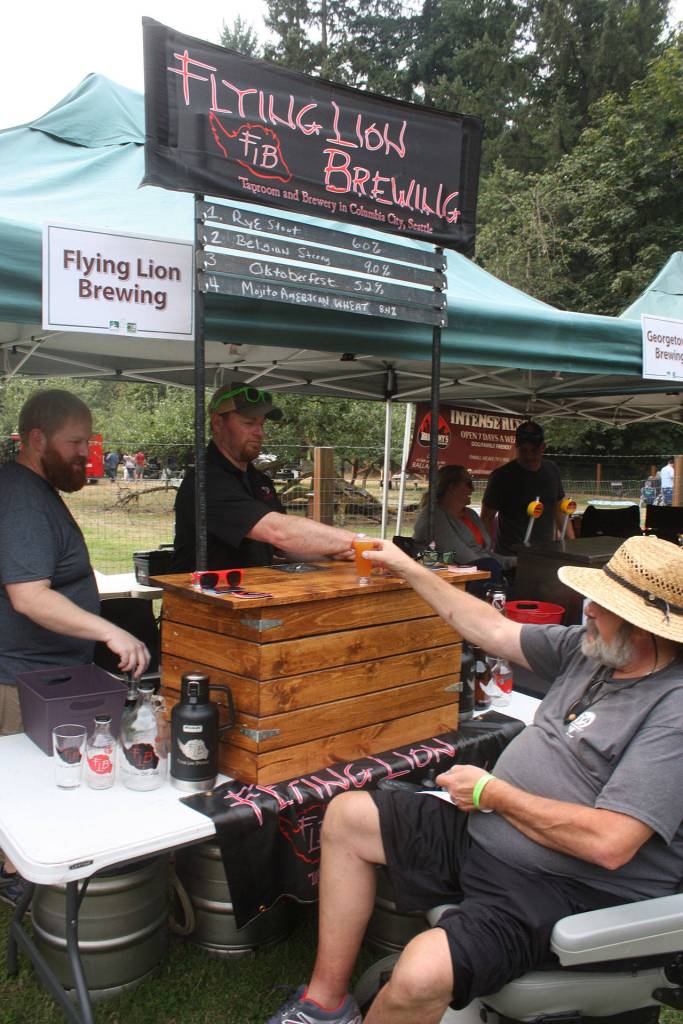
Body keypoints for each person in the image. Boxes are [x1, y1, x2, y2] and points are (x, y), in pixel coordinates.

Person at [263, 534, 683, 1024]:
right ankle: (325, 1005)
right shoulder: (592, 652)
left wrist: (494, 794)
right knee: (348, 816)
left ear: (643, 628)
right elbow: (490, 629)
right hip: (488, 834)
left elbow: (610, 843)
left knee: (420, 974)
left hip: (564, 888)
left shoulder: (672, 711)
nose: (586, 610)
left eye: (603, 605)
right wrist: (408, 568)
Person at [0, 390, 151, 904]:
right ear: (36, 439)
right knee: (25, 797)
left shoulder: (36, 491)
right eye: (75, 442)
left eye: (87, 442)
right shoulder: (21, 496)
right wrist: (109, 630)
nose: (86, 453)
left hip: (44, 673)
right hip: (22, 679)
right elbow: (28, 597)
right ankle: (23, 884)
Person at [171, 384, 357, 571]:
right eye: (249, 423)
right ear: (218, 423)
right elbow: (279, 532)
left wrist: (332, 552)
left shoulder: (259, 481)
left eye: (261, 424)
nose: (259, 433)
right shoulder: (205, 482)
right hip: (202, 597)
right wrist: (356, 542)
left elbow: (284, 546)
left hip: (247, 595)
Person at [481, 420, 573, 556]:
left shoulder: (552, 471)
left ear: (543, 447)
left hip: (546, 553)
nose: (529, 456)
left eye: (534, 450)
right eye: (523, 450)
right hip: (511, 555)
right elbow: (486, 518)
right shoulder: (501, 476)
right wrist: (486, 553)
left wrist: (571, 545)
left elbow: (559, 510)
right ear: (516, 448)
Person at [413, 464, 516, 574]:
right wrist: (498, 564)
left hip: (478, 568)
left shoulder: (470, 514)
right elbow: (459, 554)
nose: (473, 489)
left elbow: (482, 552)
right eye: (468, 484)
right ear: (453, 487)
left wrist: (512, 562)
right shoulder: (434, 515)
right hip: (447, 575)